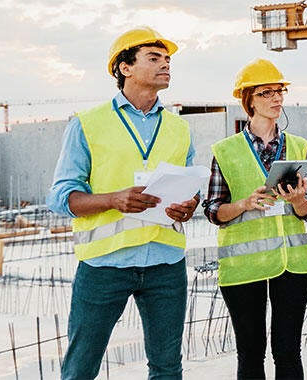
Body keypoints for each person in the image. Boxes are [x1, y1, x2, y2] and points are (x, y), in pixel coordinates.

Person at [49, 26, 200, 380]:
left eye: (167, 60)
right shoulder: (88, 124)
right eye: (154, 58)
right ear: (125, 68)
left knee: (167, 369)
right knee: (80, 369)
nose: (166, 65)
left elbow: (191, 187)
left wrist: (190, 204)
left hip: (166, 263)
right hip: (104, 266)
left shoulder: (179, 128)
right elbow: (60, 196)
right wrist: (113, 200)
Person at [202, 58, 307, 379]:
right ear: (248, 99)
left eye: (279, 91)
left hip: (292, 265)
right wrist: (244, 204)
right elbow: (213, 211)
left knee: (288, 352)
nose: (277, 99)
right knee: (251, 354)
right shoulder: (225, 151)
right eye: (267, 93)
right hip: (243, 268)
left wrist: (298, 201)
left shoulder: (298, 147)